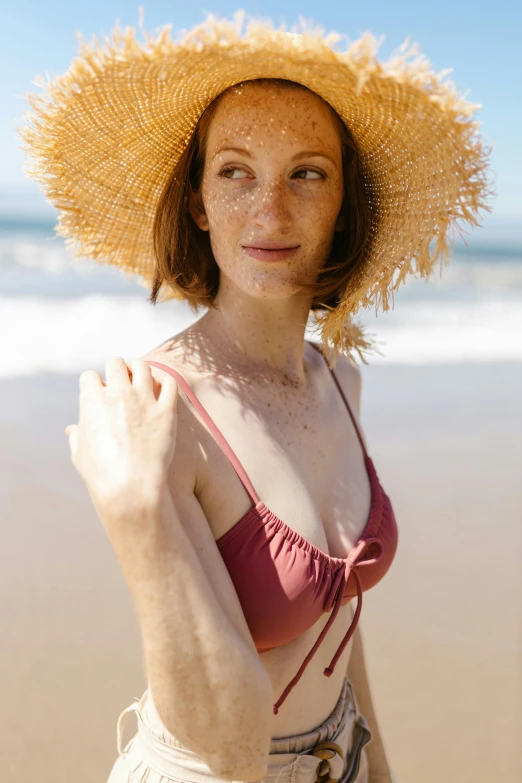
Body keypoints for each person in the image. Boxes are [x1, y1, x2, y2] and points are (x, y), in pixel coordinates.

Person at [18, 10, 494, 783]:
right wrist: (138, 512)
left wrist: (375, 764)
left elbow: (340, 614)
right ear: (200, 201)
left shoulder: (342, 379)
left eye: (307, 172)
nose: (269, 211)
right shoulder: (160, 410)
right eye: (236, 171)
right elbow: (225, 738)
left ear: (345, 202)